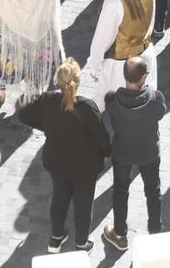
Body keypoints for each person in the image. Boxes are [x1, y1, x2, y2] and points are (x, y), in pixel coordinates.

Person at [17, 59, 111, 253]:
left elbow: (23, 114)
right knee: (83, 203)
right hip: (85, 166)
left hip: (57, 161)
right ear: (78, 81)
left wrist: (46, 125)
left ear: (57, 81)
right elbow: (101, 138)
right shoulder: (87, 107)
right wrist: (107, 153)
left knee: (59, 197)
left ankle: (56, 238)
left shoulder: (48, 100)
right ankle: (82, 242)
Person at [103, 55, 165, 250]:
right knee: (153, 191)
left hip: (123, 151)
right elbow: (161, 113)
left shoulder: (112, 99)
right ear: (143, 78)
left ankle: (120, 233)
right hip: (149, 152)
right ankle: (155, 230)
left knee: (120, 192)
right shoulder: (155, 99)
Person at [84, 0, 155, 98]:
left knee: (114, 110)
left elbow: (102, 40)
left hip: (120, 67)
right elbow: (151, 20)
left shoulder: (114, 1)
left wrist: (95, 67)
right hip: (146, 56)